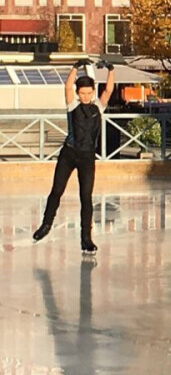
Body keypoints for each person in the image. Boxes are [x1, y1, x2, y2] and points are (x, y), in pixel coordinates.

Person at [33, 59, 115, 253]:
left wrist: (111, 69)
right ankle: (46, 225)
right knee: (57, 190)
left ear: (93, 92)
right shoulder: (72, 106)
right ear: (78, 93)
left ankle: (86, 237)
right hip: (69, 154)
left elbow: (109, 91)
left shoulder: (98, 107)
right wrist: (75, 67)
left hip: (87, 158)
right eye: (82, 93)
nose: (86, 97)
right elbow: (67, 85)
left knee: (86, 197)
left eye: (89, 93)